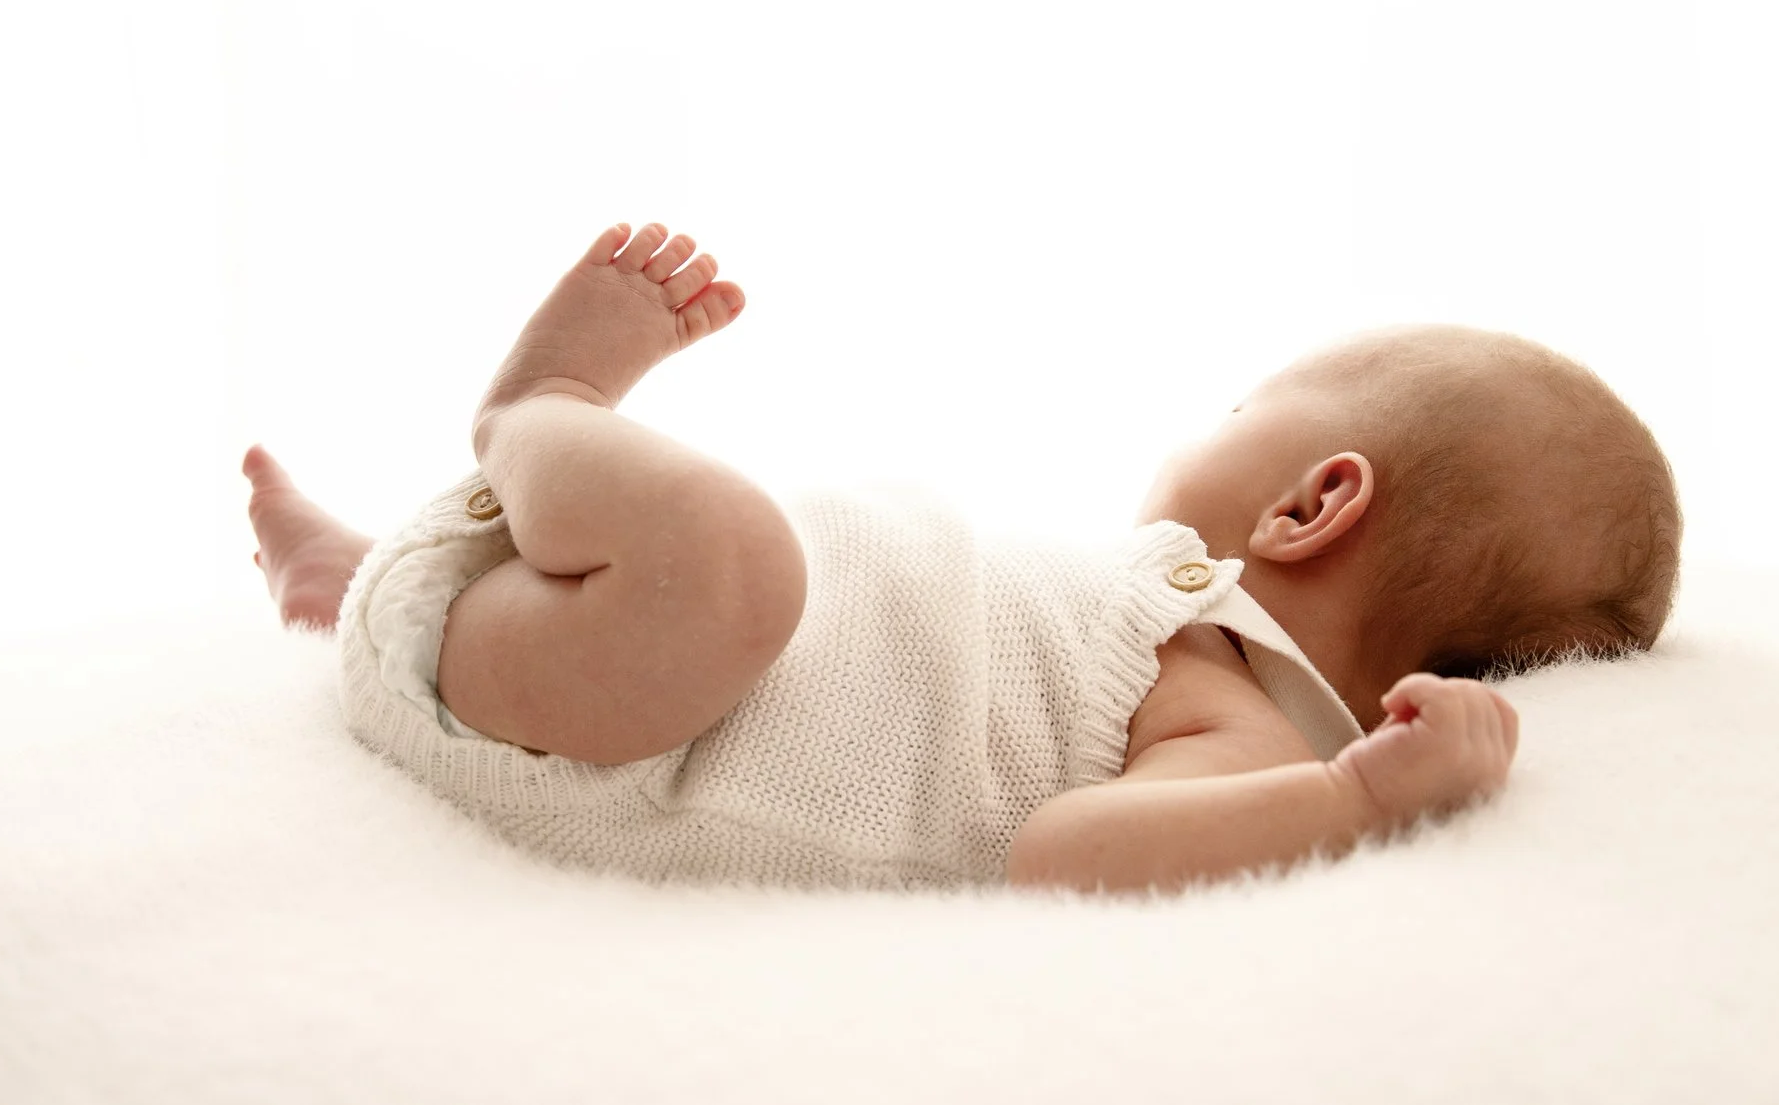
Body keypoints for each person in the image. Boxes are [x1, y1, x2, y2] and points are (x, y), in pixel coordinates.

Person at [246, 221, 1680, 895]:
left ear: (1313, 505)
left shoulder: (1247, 729)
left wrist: (1352, 799)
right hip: (589, 640)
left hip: (630, 730)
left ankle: (532, 412)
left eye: (1244, 413)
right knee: (733, 569)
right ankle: (386, 574)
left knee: (736, 568)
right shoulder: (1138, 627)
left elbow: (1071, 857)